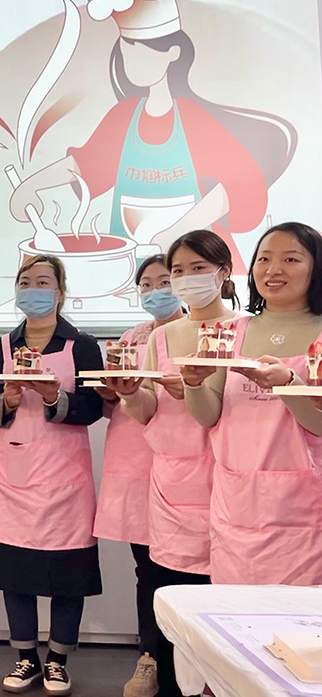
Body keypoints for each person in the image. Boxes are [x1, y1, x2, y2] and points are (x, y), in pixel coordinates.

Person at [11, 0, 293, 270]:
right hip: (133, 266)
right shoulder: (124, 117)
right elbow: (84, 165)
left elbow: (240, 184)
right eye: (126, 50)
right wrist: (30, 186)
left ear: (173, 53)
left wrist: (179, 231)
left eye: (141, 51)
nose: (131, 61)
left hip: (195, 261)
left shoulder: (193, 119)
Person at [108, 231, 238, 697]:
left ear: (223, 272)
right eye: (178, 271)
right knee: (168, 591)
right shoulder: (162, 337)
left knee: (220, 598)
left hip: (227, 479)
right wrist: (129, 394)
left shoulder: (242, 329)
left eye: (197, 269)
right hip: (171, 481)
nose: (186, 279)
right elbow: (148, 408)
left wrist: (197, 390)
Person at [0, 255, 104, 696]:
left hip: (65, 477)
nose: (33, 289)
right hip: (13, 474)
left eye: (43, 282)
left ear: (60, 292)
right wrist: (7, 401)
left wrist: (53, 397)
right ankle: (26, 657)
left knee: (67, 573)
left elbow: (93, 408)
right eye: (25, 282)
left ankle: (58, 661)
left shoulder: (82, 345)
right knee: (16, 572)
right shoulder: (1, 347)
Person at [179, 222, 322, 586]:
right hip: (237, 503)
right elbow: (209, 416)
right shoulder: (231, 331)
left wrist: (289, 384)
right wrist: (193, 383)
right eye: (264, 259)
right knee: (233, 610)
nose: (274, 270)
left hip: (306, 507)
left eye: (291, 259)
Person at [91, 254, 184, 697]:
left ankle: (189, 658)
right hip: (133, 462)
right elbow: (113, 405)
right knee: (146, 567)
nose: (154, 291)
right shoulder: (131, 337)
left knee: (187, 569)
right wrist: (110, 390)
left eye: (165, 281)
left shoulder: (201, 334)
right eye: (146, 284)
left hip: (182, 464)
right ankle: (150, 656)